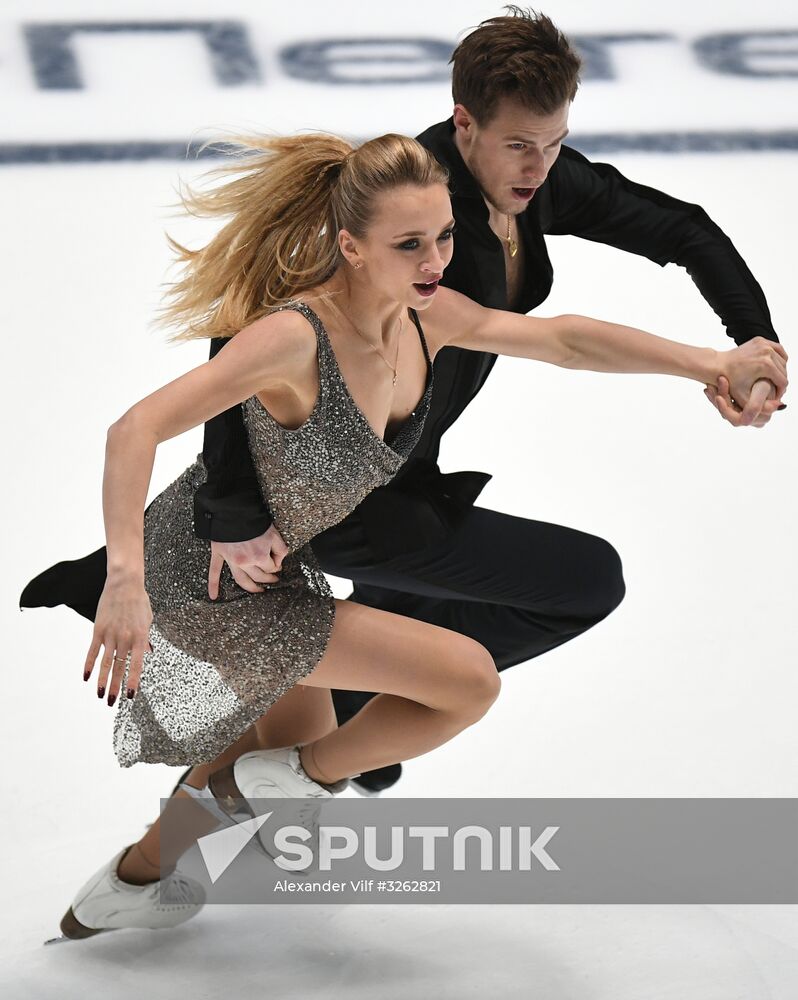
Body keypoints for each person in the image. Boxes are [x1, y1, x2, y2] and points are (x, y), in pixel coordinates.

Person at [21, 127, 786, 940]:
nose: (435, 260)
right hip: (208, 574)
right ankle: (264, 800)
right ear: (349, 246)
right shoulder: (293, 337)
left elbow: (563, 340)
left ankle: (134, 878)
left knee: (251, 780)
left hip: (283, 578)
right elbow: (134, 428)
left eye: (446, 236)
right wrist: (124, 581)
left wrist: (712, 361)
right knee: (467, 682)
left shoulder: (430, 319)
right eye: (409, 243)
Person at [171, 6, 791, 794]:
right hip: (336, 496)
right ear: (464, 123)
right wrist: (231, 510)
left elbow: (683, 230)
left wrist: (746, 344)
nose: (540, 167)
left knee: (368, 737)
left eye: (555, 142)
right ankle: (288, 773)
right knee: (584, 584)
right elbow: (246, 336)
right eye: (520, 145)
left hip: (406, 466)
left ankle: (184, 841)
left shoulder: (535, 182)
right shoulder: (417, 207)